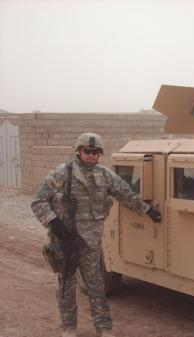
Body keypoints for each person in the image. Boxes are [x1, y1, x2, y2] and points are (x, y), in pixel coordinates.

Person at [31, 133, 161, 337]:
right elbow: (38, 201)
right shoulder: (62, 173)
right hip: (66, 241)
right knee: (66, 286)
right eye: (87, 151)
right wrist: (53, 222)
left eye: (96, 152)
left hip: (91, 243)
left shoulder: (105, 175)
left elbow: (125, 194)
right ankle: (69, 328)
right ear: (79, 151)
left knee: (96, 286)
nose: (91, 155)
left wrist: (146, 210)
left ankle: (104, 328)